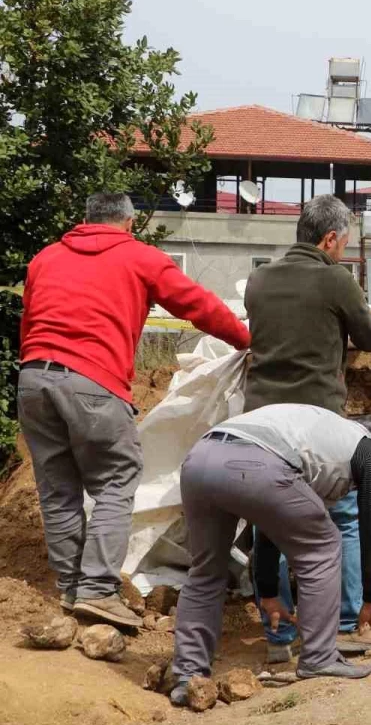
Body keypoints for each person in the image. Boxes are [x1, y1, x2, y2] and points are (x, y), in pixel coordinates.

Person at [18, 192, 250, 630]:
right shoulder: (139, 256)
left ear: (85, 220)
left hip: (33, 379)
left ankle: (71, 589)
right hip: (92, 379)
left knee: (58, 488)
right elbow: (196, 304)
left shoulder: (46, 258)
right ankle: (98, 590)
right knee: (116, 477)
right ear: (128, 223)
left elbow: (30, 321)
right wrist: (244, 339)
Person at [242, 195, 371, 661]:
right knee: (344, 518)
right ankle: (348, 623)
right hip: (316, 423)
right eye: (344, 244)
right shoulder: (335, 280)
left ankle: (279, 638)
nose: (345, 253)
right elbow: (370, 337)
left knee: (272, 525)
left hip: (259, 422)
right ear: (329, 239)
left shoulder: (259, 279)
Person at [170, 406, 371, 705]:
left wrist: (267, 592)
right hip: (254, 463)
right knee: (324, 545)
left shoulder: (316, 435)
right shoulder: (369, 448)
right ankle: (319, 657)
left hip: (200, 459)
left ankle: (187, 676)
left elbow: (270, 521)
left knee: (205, 572)